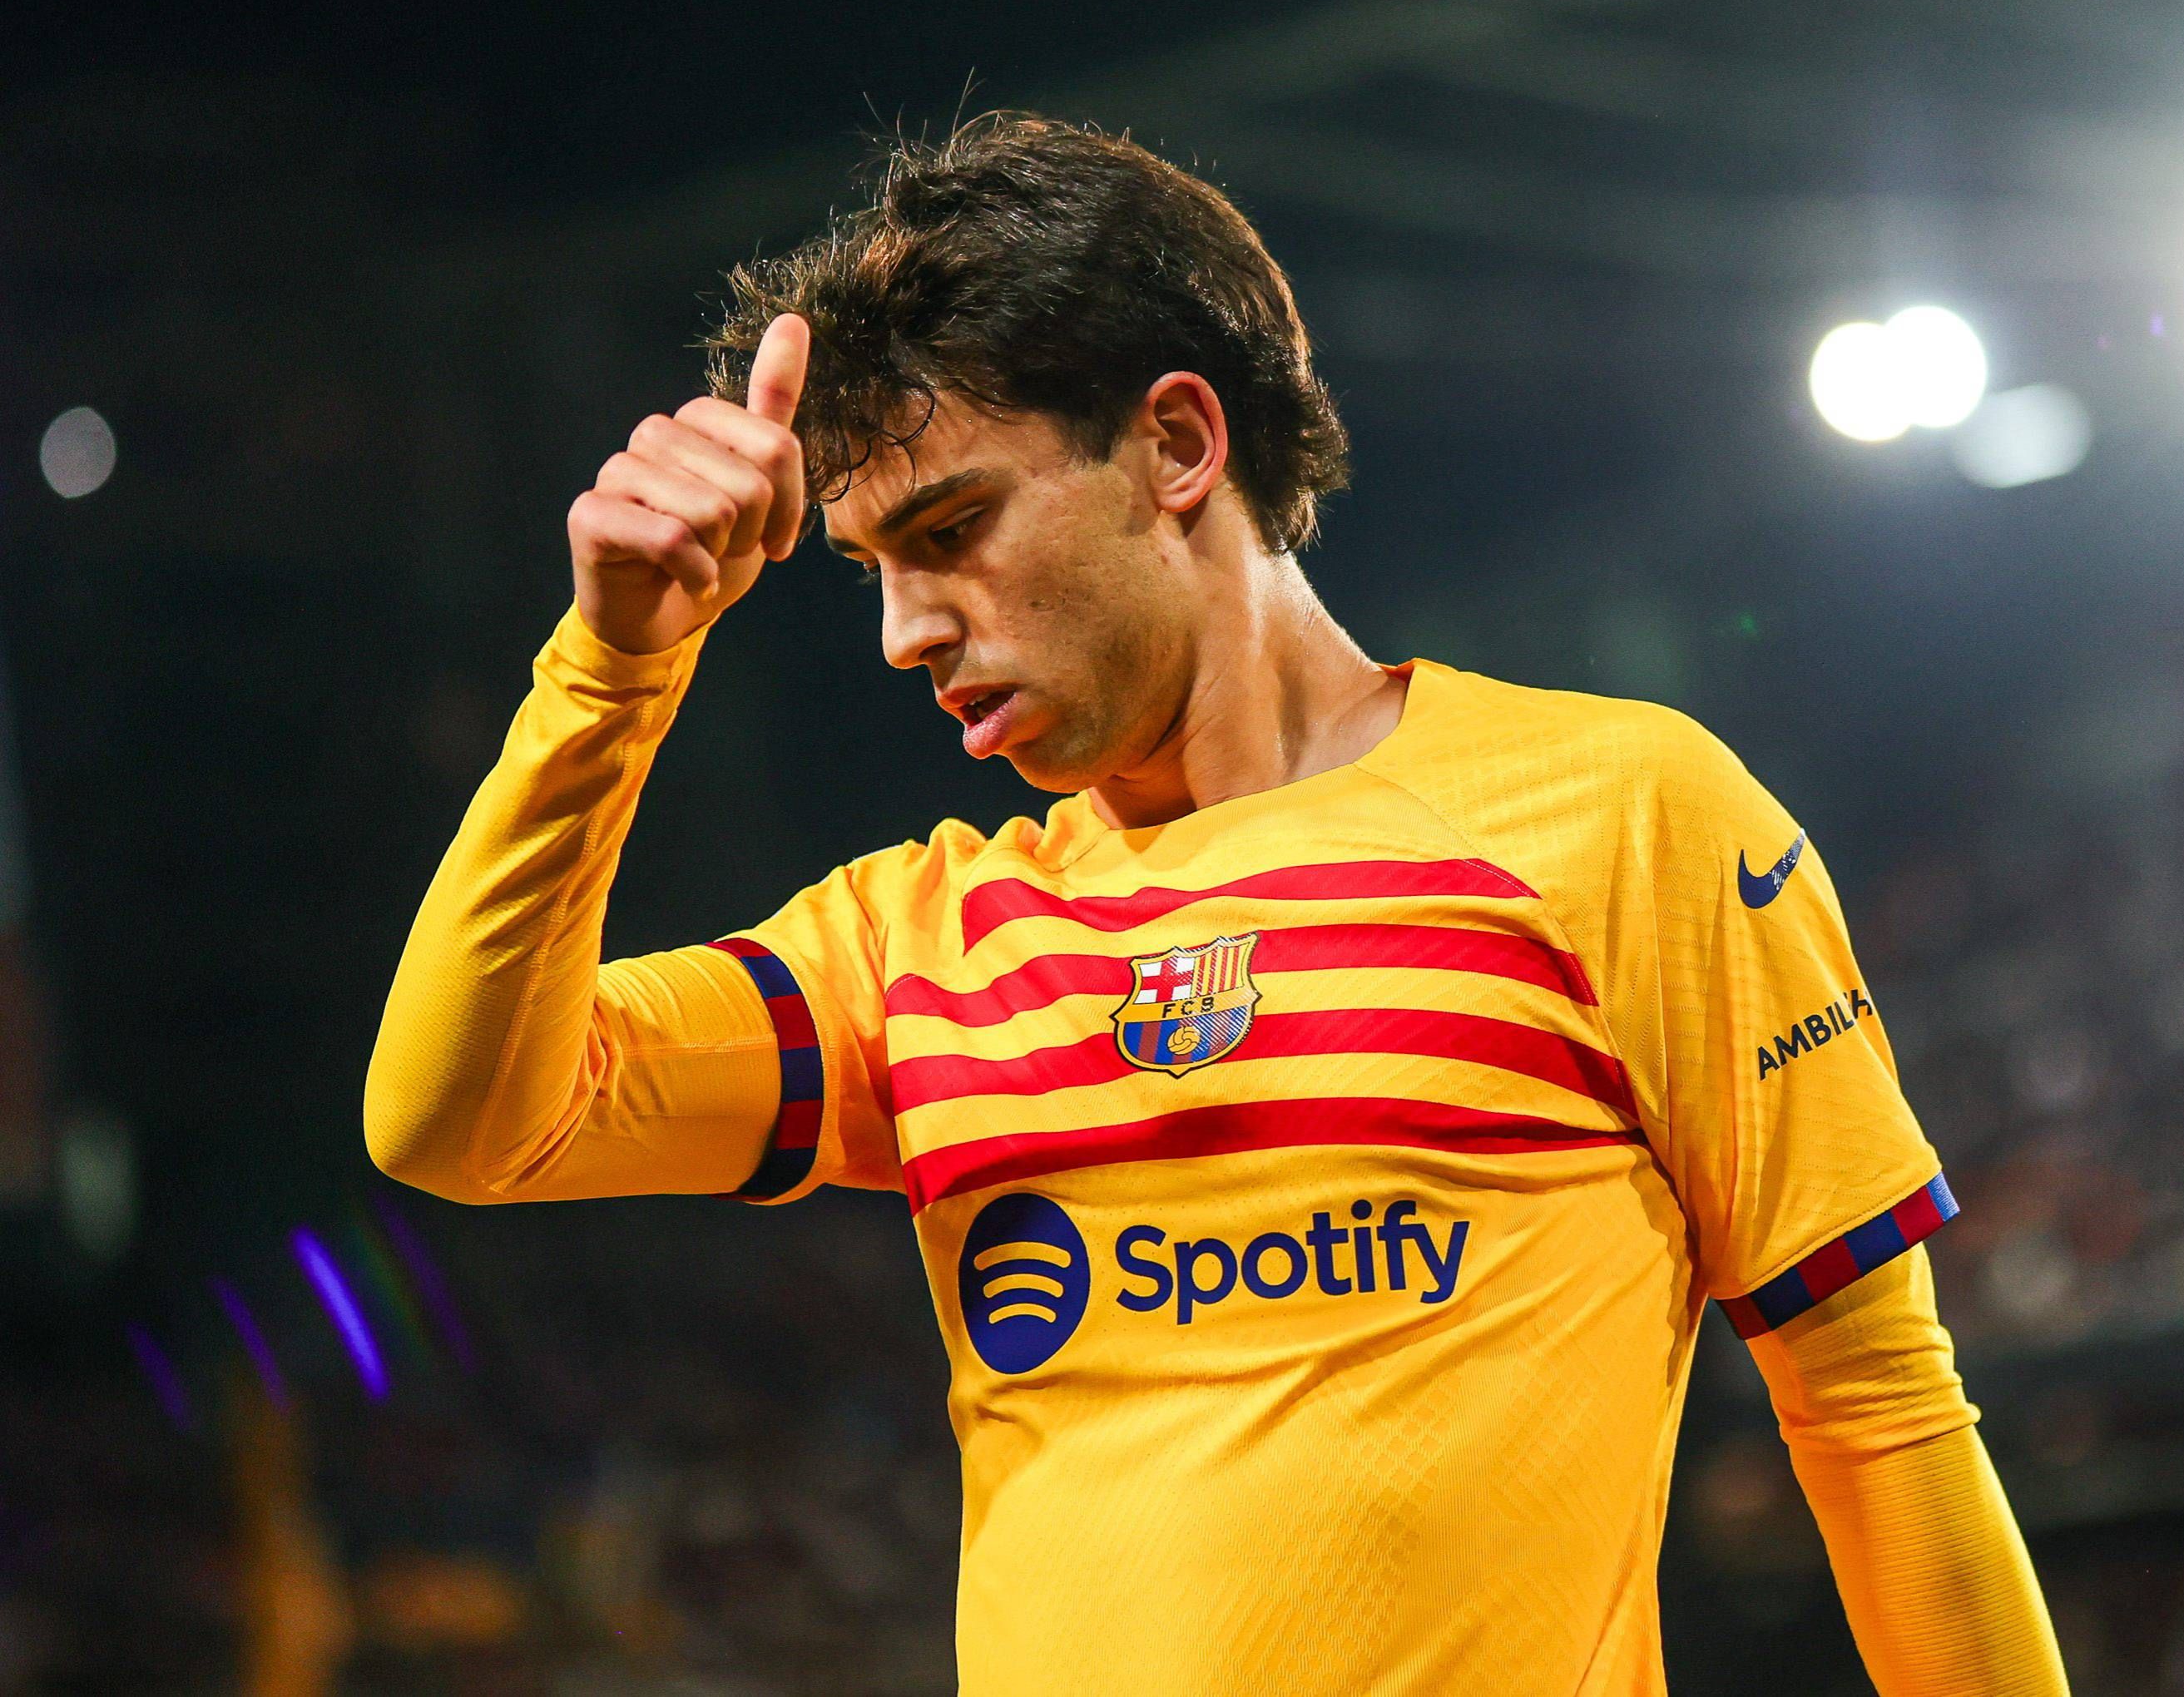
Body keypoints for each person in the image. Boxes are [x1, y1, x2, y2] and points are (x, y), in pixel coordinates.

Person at [366, 114, 2066, 1695]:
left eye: (952, 528)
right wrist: (611, 669)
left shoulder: (1621, 818)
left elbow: (1874, 1414)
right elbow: (458, 1123)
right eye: (873, 568)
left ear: (1175, 442)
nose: (903, 631)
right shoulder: (918, 944)